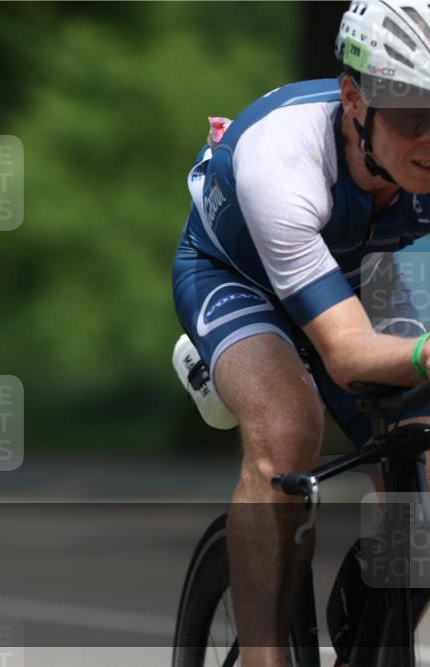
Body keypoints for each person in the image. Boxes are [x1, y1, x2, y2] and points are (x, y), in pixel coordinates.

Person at [172, 2, 430, 665]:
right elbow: (346, 355)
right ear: (353, 99)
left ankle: (380, 626)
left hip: (367, 272)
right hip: (240, 276)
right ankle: (264, 654)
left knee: (421, 458)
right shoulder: (280, 157)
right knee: (288, 426)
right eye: (411, 115)